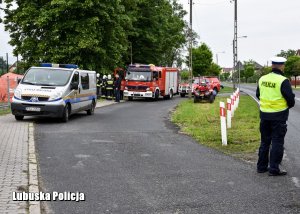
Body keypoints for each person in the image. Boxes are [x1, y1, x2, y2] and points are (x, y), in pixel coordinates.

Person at [256, 56, 295, 176]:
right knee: (277, 142)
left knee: (265, 141)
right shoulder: (283, 80)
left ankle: (261, 167)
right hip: (279, 117)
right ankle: (274, 169)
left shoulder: (262, 79)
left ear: (272, 65)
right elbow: (290, 100)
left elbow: (258, 94)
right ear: (282, 66)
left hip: (264, 115)